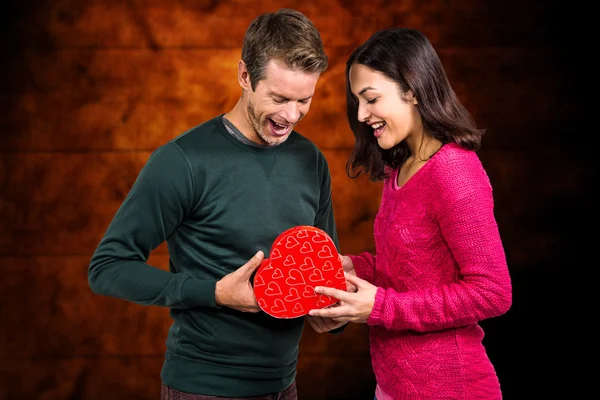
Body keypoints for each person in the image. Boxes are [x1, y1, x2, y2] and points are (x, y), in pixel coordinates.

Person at [88, 8, 345, 400]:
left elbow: (324, 271)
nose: (291, 116)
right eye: (278, 98)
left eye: (303, 100)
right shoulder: (183, 161)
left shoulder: (311, 161)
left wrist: (333, 315)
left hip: (284, 386)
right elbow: (107, 268)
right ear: (244, 76)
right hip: (203, 389)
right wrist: (214, 293)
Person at [308, 28, 512, 400]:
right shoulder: (398, 167)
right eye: (356, 101)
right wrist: (355, 270)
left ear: (413, 90)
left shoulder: (454, 171)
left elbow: (492, 293)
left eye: (370, 99)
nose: (362, 114)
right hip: (392, 385)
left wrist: (380, 307)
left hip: (450, 388)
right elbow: (413, 268)